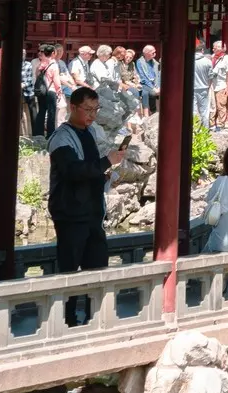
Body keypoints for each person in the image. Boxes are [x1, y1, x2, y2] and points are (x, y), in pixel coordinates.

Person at [49, 86, 125, 325]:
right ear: (73, 107)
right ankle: (67, 320)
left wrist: (105, 174)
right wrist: (106, 161)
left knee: (98, 267)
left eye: (96, 109)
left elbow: (91, 168)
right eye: (88, 109)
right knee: (70, 270)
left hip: (93, 212)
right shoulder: (62, 138)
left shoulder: (90, 132)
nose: (92, 115)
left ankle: (95, 319)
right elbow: (73, 172)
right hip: (70, 213)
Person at [209, 41, 228, 129]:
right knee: (212, 105)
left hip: (221, 85)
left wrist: (227, 87)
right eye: (214, 47)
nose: (214, 49)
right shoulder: (212, 57)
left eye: (217, 47)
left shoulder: (227, 59)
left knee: (221, 105)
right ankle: (212, 124)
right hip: (211, 85)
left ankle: (220, 124)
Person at [192, 41, 215, 128]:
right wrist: (208, 86)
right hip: (204, 88)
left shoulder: (189, 60)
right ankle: (205, 130)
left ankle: (193, 129)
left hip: (192, 88)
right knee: (204, 111)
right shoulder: (207, 61)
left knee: (193, 111)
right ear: (202, 50)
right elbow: (210, 77)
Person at [135, 45, 161, 116]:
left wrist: (158, 86)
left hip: (154, 84)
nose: (154, 54)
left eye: (155, 52)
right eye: (153, 53)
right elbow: (143, 78)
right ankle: (153, 111)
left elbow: (157, 76)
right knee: (152, 93)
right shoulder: (140, 62)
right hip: (143, 84)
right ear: (146, 53)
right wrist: (153, 88)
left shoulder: (154, 62)